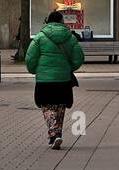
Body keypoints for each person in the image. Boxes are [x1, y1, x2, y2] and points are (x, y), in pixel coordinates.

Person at [25, 10, 85, 149]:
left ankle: (54, 134)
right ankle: (56, 136)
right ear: (61, 21)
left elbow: (30, 58)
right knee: (60, 108)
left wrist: (34, 70)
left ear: (47, 22)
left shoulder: (40, 37)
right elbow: (78, 58)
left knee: (47, 107)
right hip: (63, 79)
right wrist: (69, 68)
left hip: (44, 80)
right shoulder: (70, 37)